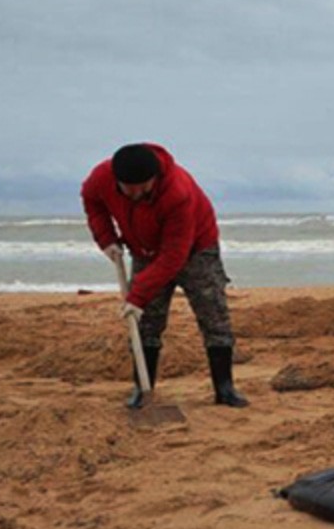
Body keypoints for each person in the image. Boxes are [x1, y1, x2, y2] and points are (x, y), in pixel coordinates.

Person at [81, 143, 248, 409]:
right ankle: (142, 389)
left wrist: (136, 296)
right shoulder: (100, 178)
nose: (136, 195)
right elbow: (92, 202)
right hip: (144, 250)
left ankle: (225, 389)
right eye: (128, 189)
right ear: (116, 180)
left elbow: (173, 256)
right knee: (145, 322)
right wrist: (106, 239)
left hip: (195, 250)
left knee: (213, 315)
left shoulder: (177, 192)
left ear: (155, 178)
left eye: (143, 188)